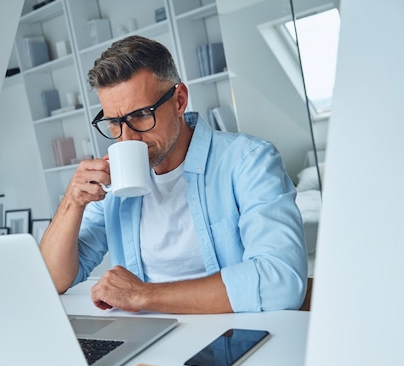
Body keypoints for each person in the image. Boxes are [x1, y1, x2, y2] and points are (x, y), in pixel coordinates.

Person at [40, 35, 307, 314]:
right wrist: (72, 201)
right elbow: (52, 280)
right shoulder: (115, 178)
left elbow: (282, 282)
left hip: (230, 335)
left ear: (179, 101)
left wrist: (144, 295)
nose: (127, 137)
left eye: (141, 114)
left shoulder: (248, 161)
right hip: (145, 336)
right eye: (115, 123)